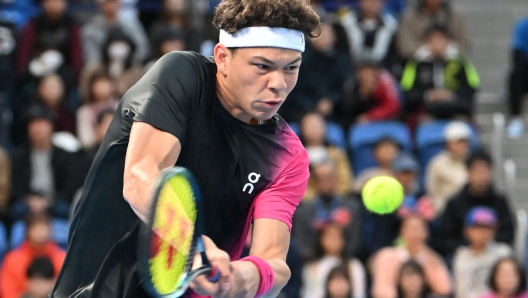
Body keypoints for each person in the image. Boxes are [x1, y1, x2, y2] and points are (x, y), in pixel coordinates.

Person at [51, 0, 319, 297]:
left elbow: (273, 261)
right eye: (262, 66)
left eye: (291, 68)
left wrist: (242, 276)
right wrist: (193, 245)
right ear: (223, 58)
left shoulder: (287, 154)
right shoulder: (182, 76)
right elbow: (142, 175)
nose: (278, 84)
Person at [439, 150, 515, 259]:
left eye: (485, 170)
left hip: (494, 255)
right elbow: (446, 238)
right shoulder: (454, 203)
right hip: (463, 255)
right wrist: (472, 245)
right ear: (468, 172)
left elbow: (508, 233)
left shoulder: (500, 201)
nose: (481, 175)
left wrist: (486, 242)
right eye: (477, 171)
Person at [400, 25, 480, 127]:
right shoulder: (415, 63)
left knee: (460, 127)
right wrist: (428, 95)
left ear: (448, 41)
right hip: (426, 111)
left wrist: (451, 95)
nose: (437, 43)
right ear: (426, 42)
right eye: (432, 39)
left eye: (440, 39)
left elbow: (472, 86)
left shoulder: (460, 62)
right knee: (423, 124)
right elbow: (406, 90)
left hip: (456, 110)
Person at [279, 21, 352, 122]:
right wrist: (314, 106)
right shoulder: (299, 62)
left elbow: (342, 89)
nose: (324, 37)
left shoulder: (340, 62)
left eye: (328, 33)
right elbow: (294, 92)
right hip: (301, 113)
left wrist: (331, 101)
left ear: (334, 37)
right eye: (320, 34)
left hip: (334, 114)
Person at [370, 211, 451, 298]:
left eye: (419, 228)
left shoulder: (432, 258)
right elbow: (381, 292)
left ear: (426, 233)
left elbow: (444, 289)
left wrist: (429, 256)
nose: (415, 233)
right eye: (411, 228)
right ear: (401, 231)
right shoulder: (387, 256)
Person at [293, 160, 363, 260]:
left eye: (330, 178)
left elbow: (356, 240)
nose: (326, 183)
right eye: (321, 179)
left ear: (336, 179)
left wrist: (341, 258)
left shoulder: (352, 207)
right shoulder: (303, 212)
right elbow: (301, 244)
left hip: (346, 260)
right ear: (314, 182)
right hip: (313, 263)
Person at [10, 105, 76, 205]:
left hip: (55, 200)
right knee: (17, 209)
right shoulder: (19, 157)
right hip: (28, 201)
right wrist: (28, 199)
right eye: (34, 124)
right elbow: (16, 187)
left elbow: (69, 188)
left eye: (42, 123)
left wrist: (49, 201)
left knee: (64, 208)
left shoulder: (64, 157)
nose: (38, 129)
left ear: (52, 126)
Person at [0, 213, 65, 298]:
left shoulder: (63, 259)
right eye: (36, 227)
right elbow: (7, 291)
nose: (41, 232)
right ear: (27, 231)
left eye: (44, 227)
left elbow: (68, 290)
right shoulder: (12, 259)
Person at [453, 207, 514, 298]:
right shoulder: (462, 256)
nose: (484, 232)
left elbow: (514, 285)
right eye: (478, 228)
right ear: (467, 230)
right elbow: (462, 293)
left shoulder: (503, 252)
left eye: (489, 228)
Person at [16, 0, 82, 78]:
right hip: (37, 68)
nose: (53, 5)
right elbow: (24, 50)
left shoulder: (72, 24)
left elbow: (76, 53)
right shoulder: (34, 24)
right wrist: (22, 72)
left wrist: (75, 75)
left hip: (63, 70)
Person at [301, 221, 366, 298]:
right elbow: (309, 294)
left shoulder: (354, 266)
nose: (334, 240)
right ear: (321, 239)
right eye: (330, 237)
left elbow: (359, 294)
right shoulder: (312, 266)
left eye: (338, 236)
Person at [299, 112, 354, 200]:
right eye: (310, 125)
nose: (314, 128)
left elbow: (346, 182)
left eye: (318, 124)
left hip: (338, 199)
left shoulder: (337, 153)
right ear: (302, 129)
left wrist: (331, 194)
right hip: (308, 204)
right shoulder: (296, 157)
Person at [334, 59, 401, 129]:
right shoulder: (351, 86)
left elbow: (393, 106)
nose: (366, 76)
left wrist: (371, 116)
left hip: (386, 120)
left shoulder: (385, 82)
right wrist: (362, 96)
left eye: (369, 72)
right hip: (358, 122)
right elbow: (347, 111)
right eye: (363, 72)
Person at [81, 0, 148, 65]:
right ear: (100, 5)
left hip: (129, 65)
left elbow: (142, 47)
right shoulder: (90, 29)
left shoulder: (132, 24)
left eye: (114, 2)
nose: (111, 6)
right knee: (91, 69)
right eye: (108, 2)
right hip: (101, 68)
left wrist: (131, 63)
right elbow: (92, 57)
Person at [339, 0, 399, 71]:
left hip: (383, 72)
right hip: (350, 70)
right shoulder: (347, 23)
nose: (372, 3)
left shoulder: (391, 25)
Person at [396, 0, 469, 59]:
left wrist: (447, 49)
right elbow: (404, 46)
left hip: (451, 68)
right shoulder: (410, 18)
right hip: (419, 68)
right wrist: (427, 49)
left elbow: (464, 43)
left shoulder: (455, 16)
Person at [426, 121, 471, 214]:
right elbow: (431, 191)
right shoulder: (437, 164)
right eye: (458, 142)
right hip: (445, 212)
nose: (461, 146)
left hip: (470, 212)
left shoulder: (473, 161)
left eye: (464, 142)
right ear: (448, 143)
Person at [77, 72, 119, 149]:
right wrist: (100, 134)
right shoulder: (84, 112)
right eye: (99, 83)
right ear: (91, 87)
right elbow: (85, 141)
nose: (102, 87)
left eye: (105, 82)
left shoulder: (121, 107)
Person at [506, 16, 528, 138]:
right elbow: (517, 54)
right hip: (525, 70)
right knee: (515, 75)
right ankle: (516, 118)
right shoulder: (522, 26)